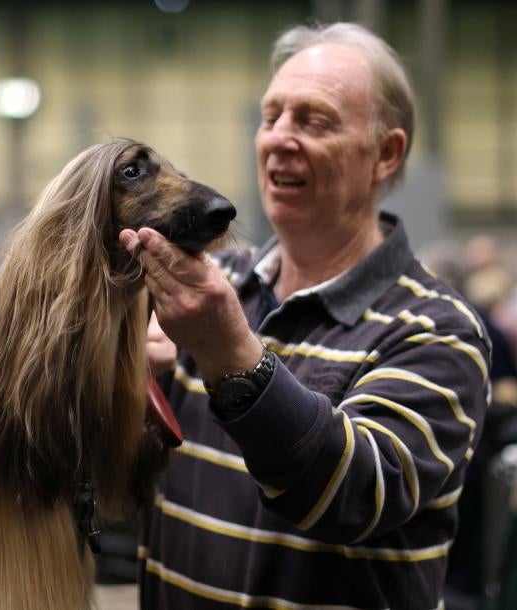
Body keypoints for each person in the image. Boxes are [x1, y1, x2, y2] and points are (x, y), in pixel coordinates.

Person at [120, 22, 491, 610]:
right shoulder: (215, 285)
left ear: (386, 153)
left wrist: (231, 358)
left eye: (314, 121)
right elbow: (125, 501)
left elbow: (356, 495)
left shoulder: (435, 329)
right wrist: (132, 391)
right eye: (271, 118)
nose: (279, 139)